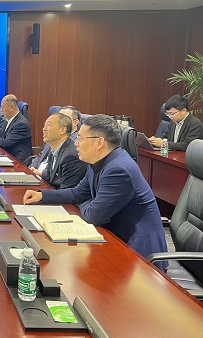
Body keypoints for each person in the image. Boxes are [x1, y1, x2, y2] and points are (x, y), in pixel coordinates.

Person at [23, 114, 168, 271]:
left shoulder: (118, 170)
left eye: (80, 138)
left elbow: (93, 216)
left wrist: (87, 202)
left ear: (99, 142)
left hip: (138, 253)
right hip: (114, 236)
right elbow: (79, 192)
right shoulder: (97, 162)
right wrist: (42, 195)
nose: (75, 143)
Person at [30, 113, 86, 189]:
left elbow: (67, 191)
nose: (44, 129)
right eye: (44, 125)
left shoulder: (71, 156)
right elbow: (51, 177)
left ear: (62, 130)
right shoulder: (54, 148)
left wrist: (41, 194)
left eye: (48, 125)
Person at [31, 105, 81, 171]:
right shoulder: (53, 137)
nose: (44, 129)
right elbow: (41, 155)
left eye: (63, 117)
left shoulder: (76, 143)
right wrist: (30, 169)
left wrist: (41, 173)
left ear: (75, 122)